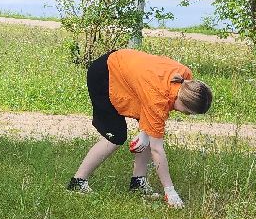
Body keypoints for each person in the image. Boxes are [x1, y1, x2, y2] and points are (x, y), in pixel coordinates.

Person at [66, 48, 212, 208]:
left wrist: (144, 131)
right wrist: (170, 191)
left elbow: (148, 94)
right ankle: (78, 182)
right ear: (182, 101)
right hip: (105, 74)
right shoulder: (158, 98)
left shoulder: (185, 79)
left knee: (149, 132)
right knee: (115, 135)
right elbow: (157, 150)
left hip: (129, 73)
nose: (187, 115)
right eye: (188, 112)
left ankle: (138, 182)